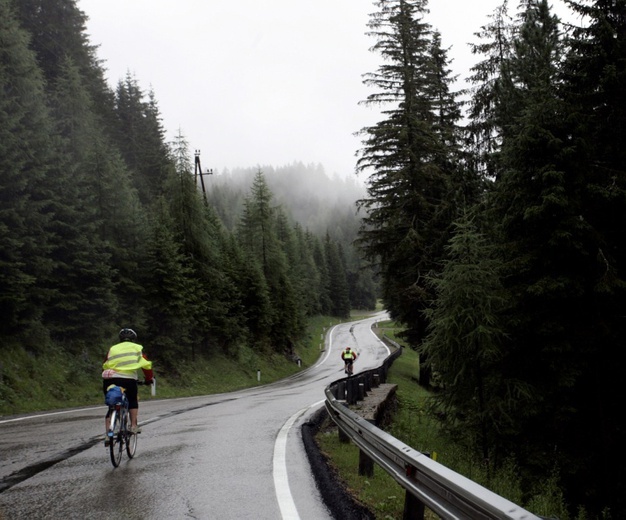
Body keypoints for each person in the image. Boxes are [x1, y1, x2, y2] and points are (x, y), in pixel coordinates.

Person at [102, 328, 153, 444]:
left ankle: (108, 434)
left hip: (109, 379)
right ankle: (133, 426)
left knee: (111, 405)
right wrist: (149, 379)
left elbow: (105, 364)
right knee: (132, 400)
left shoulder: (112, 349)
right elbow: (146, 366)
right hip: (128, 380)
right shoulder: (137, 348)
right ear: (133, 339)